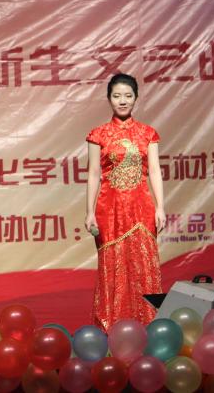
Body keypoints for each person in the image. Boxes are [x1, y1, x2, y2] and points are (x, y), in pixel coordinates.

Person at [85, 73, 165, 330]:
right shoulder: (98, 134)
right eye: (117, 96)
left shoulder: (147, 133)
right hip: (109, 211)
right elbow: (93, 174)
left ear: (136, 98)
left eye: (128, 96)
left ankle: (149, 327)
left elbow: (154, 171)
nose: (123, 101)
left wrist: (160, 207)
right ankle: (112, 329)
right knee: (113, 268)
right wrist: (89, 212)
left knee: (143, 266)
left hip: (142, 209)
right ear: (109, 99)